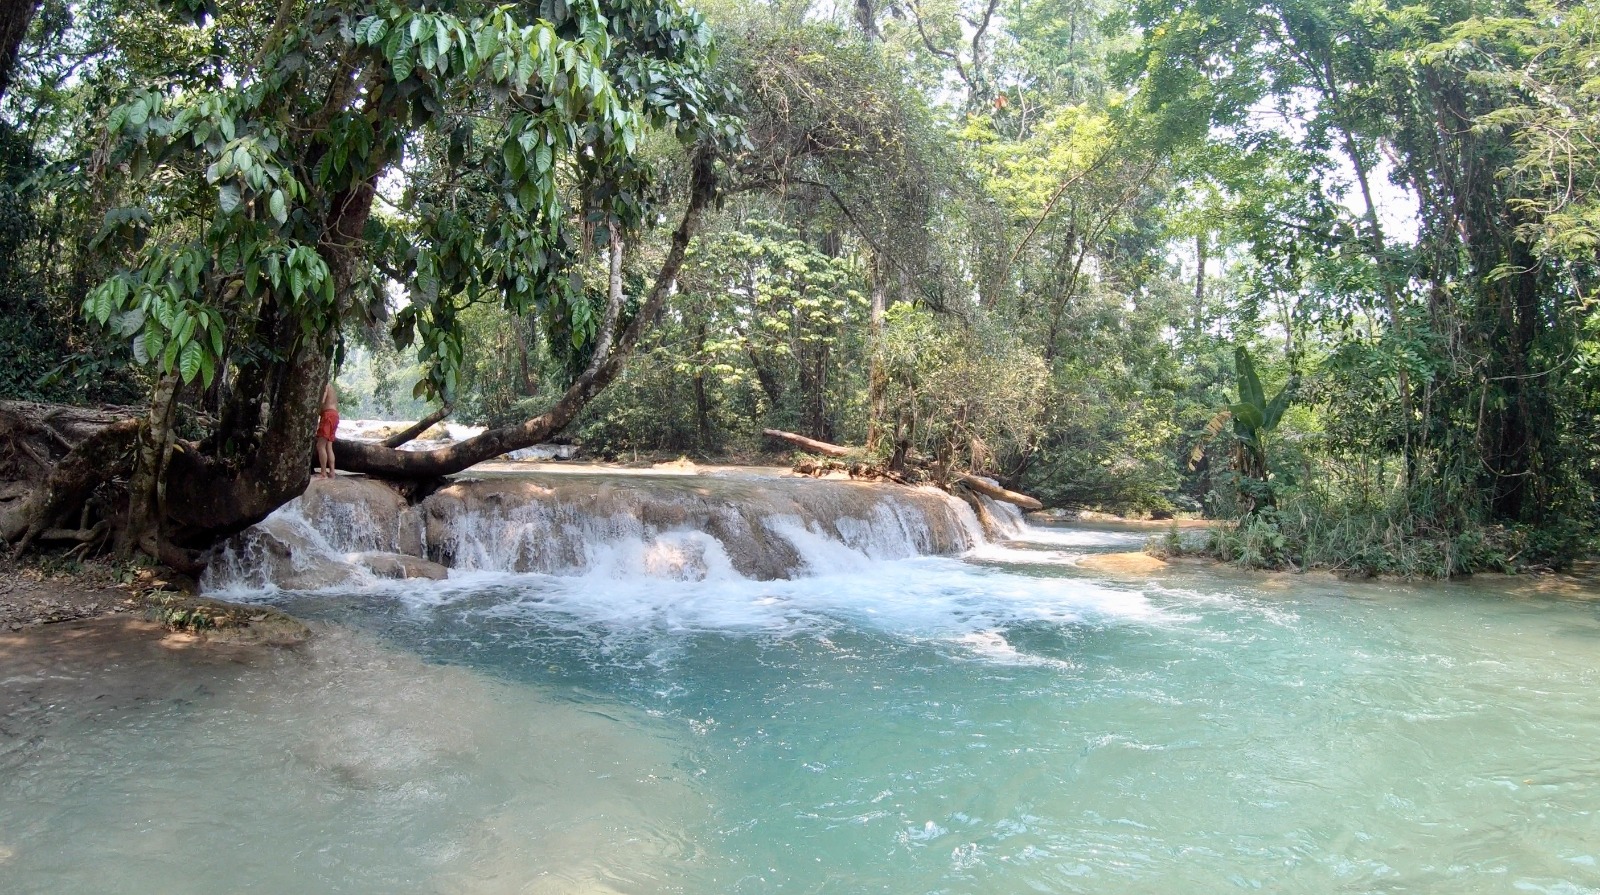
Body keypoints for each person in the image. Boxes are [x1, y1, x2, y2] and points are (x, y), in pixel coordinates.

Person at [315, 382, 339, 479]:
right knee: (329, 446)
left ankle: (323, 473)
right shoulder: (332, 389)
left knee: (320, 445)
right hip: (335, 415)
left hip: (328, 416)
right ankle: (332, 471)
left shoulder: (326, 385)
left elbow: (322, 400)